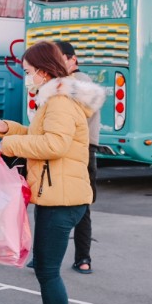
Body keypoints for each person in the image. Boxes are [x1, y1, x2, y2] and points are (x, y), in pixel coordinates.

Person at [0, 41, 105, 304]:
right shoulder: (57, 100)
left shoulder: (58, 102)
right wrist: (10, 129)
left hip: (61, 199)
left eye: (28, 72)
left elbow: (54, 144)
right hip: (60, 195)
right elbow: (41, 133)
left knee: (47, 271)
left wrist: (10, 144)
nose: (26, 78)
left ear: (42, 71)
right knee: (47, 270)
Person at [55, 40, 101, 274]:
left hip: (81, 149)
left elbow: (80, 111)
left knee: (80, 206)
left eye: (59, 57)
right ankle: (78, 258)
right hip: (70, 148)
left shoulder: (81, 82)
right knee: (61, 203)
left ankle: (83, 257)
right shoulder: (64, 83)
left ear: (73, 59)